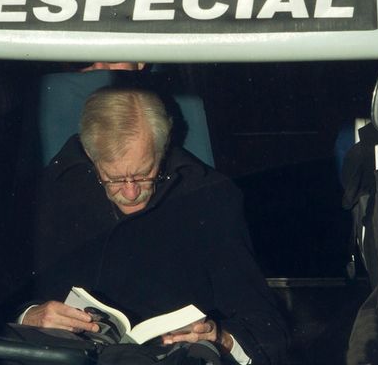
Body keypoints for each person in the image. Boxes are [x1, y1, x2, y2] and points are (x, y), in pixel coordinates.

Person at [21, 87, 288, 364]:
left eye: (144, 175)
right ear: (90, 154)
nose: (131, 192)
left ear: (163, 149)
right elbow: (1, 301)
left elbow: (266, 327)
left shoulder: (211, 196)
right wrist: (28, 315)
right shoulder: (49, 193)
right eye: (114, 179)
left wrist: (221, 337)